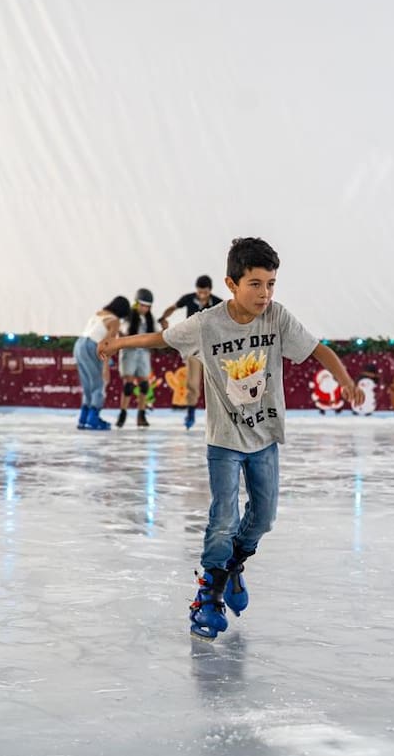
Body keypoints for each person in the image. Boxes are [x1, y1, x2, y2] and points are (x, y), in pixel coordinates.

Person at [99, 237, 361, 640]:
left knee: (264, 518)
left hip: (265, 437)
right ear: (231, 283)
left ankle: (233, 565)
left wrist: (345, 381)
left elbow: (318, 350)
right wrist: (117, 342)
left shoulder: (277, 318)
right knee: (224, 518)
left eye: (271, 283)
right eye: (255, 284)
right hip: (223, 440)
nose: (265, 293)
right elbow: (162, 339)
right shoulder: (207, 324)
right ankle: (210, 594)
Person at [159, 275, 224, 429]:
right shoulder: (189, 299)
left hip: (211, 348)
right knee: (192, 383)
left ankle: (220, 416)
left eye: (205, 292)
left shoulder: (217, 303)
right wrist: (163, 317)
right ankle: (190, 412)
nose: (202, 295)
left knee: (217, 382)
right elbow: (173, 307)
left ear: (210, 291)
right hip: (194, 348)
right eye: (200, 292)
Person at [74, 296, 131, 430]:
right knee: (99, 384)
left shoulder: (98, 313)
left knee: (88, 385)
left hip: (79, 344)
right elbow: (107, 344)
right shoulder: (115, 321)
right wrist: (106, 367)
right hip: (92, 346)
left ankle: (83, 418)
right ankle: (93, 418)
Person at [116, 289, 156, 428]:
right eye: (142, 305)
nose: (145, 308)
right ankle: (123, 413)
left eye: (147, 306)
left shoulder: (151, 319)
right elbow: (122, 333)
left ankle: (141, 414)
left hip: (144, 354)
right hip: (130, 353)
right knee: (129, 385)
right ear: (137, 304)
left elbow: (156, 335)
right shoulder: (128, 317)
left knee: (144, 385)